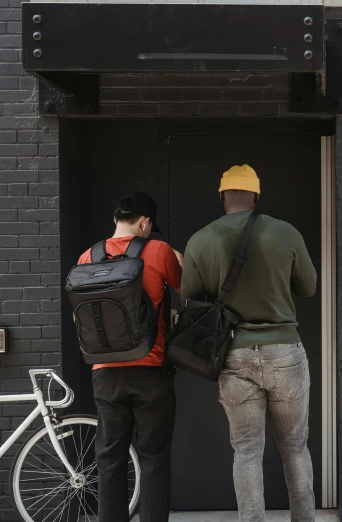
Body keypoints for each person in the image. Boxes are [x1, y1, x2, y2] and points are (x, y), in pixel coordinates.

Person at [181, 164, 317, 522]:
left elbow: (191, 302)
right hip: (285, 352)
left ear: (223, 195)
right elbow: (309, 287)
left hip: (234, 355)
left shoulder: (200, 240)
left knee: (246, 452)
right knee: (294, 448)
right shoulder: (286, 233)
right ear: (256, 196)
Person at [77, 192, 183, 522]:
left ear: (116, 220)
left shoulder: (86, 257)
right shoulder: (158, 251)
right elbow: (186, 288)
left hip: (105, 373)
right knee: (153, 458)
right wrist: (178, 258)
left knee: (109, 459)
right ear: (144, 222)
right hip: (150, 370)